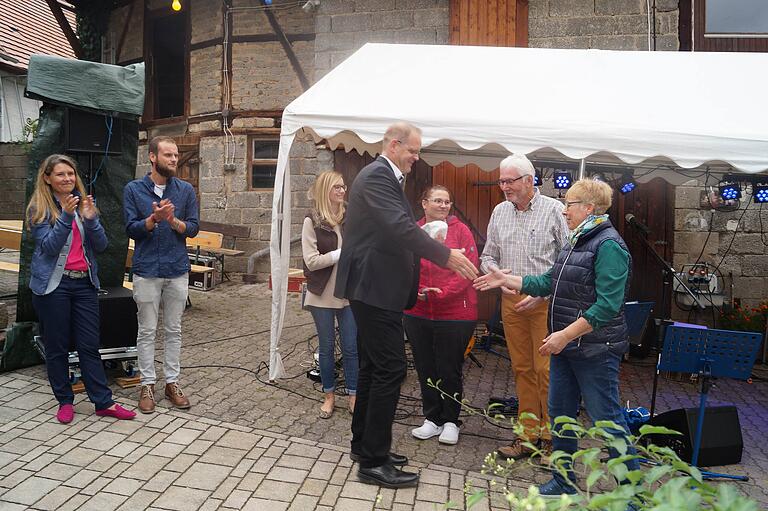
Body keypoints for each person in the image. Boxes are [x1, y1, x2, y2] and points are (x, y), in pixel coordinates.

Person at [474, 178, 641, 497]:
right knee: (562, 416)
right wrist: (505, 279)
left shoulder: (609, 246)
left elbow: (607, 306)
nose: (564, 211)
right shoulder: (576, 240)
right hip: (566, 347)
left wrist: (563, 335)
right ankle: (564, 481)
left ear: (589, 208)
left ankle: (632, 494)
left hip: (594, 350)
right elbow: (548, 281)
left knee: (608, 422)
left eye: (570, 204)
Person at [335, 122, 478, 488]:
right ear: (395, 145)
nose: (417, 157)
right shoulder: (378, 176)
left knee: (372, 366)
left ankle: (363, 446)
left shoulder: (383, 177)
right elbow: (400, 227)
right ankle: (374, 462)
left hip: (375, 288)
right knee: (390, 369)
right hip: (374, 287)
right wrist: (446, 256)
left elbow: (393, 230)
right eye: (413, 150)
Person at [27, 154, 136, 423]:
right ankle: (65, 401)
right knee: (57, 347)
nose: (67, 179)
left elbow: (100, 246)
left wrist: (90, 219)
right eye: (61, 174)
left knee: (89, 345)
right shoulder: (39, 209)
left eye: (71, 174)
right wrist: (66, 216)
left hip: (84, 284)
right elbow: (50, 248)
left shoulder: (84, 205)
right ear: (47, 178)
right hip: (54, 286)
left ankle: (103, 402)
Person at [479, 154, 569, 460]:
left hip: (544, 303)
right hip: (511, 301)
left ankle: (552, 440)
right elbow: (487, 256)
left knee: (546, 371)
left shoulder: (555, 210)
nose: (504, 186)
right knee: (521, 369)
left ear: (529, 180)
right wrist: (499, 277)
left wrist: (543, 292)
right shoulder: (500, 212)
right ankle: (527, 437)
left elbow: (569, 261)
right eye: (501, 181)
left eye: (509, 181)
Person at [124, 136, 199, 414]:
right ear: (152, 157)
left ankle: (172, 382)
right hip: (146, 269)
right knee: (146, 330)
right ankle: (146, 383)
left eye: (176, 155)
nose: (173, 159)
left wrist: (172, 220)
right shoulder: (133, 189)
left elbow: (192, 228)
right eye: (168, 155)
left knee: (174, 330)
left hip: (177, 269)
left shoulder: (185, 191)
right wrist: (153, 220)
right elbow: (130, 229)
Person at [404, 185, 478, 446]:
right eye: (438, 200)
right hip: (418, 311)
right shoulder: (414, 231)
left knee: (449, 368)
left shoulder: (461, 231)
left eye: (447, 201)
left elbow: (469, 270)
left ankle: (450, 420)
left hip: (455, 313)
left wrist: (442, 292)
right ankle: (432, 418)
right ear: (424, 203)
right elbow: (406, 266)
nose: (444, 206)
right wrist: (418, 290)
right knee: (425, 366)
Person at [302, 171, 358, 419]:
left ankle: (354, 394)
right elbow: (311, 261)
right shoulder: (312, 220)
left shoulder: (350, 217)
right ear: (325, 189)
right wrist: (340, 254)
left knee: (351, 347)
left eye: (343, 186)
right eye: (336, 187)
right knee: (326, 349)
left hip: (348, 292)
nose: (341, 191)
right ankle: (329, 395)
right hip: (321, 293)